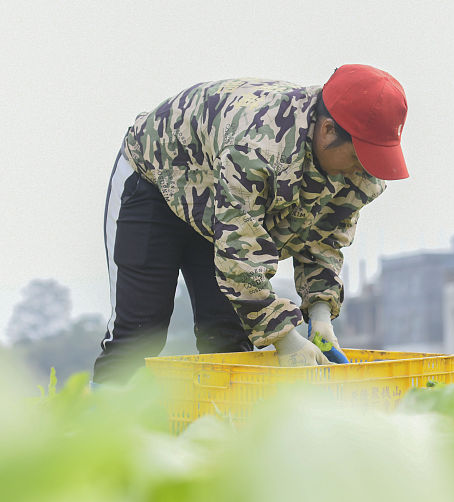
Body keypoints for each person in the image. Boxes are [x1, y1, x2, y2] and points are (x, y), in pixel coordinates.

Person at [93, 65, 409, 385]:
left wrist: (320, 313)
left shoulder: (359, 174)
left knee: (229, 341)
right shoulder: (259, 146)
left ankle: (221, 430)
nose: (361, 170)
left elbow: (323, 239)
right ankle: (98, 428)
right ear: (327, 131)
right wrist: (285, 339)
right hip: (157, 179)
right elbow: (241, 256)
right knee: (139, 335)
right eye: (358, 157)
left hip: (222, 200)